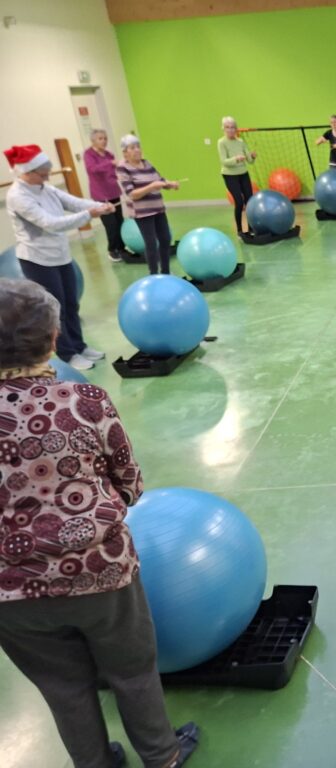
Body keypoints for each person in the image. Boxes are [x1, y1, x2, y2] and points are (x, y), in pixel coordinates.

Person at [0, 278, 200, 768]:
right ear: (53, 340)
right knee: (132, 672)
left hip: (10, 591)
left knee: (62, 686)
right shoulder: (85, 402)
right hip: (99, 572)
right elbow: (129, 483)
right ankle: (162, 756)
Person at [3, 144, 109, 372]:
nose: (46, 177)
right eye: (42, 174)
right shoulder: (17, 196)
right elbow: (50, 223)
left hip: (60, 255)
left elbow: (73, 202)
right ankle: (67, 353)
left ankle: (79, 346)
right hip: (38, 260)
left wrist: (98, 206)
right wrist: (88, 215)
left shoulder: (45, 188)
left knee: (71, 303)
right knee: (54, 309)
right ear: (27, 172)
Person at [116, 135, 178, 275]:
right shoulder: (122, 168)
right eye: (132, 148)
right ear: (125, 152)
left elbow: (160, 180)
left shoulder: (147, 163)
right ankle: (153, 274)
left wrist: (170, 184)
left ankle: (166, 273)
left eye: (138, 147)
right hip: (142, 212)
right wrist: (151, 187)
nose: (137, 150)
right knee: (151, 243)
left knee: (165, 239)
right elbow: (132, 194)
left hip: (158, 208)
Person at [83, 128, 127, 263]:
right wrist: (110, 163)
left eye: (105, 138)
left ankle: (121, 248)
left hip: (113, 192)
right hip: (100, 195)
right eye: (100, 138)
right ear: (93, 140)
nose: (104, 141)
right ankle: (112, 250)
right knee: (111, 224)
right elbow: (93, 169)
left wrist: (119, 175)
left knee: (120, 221)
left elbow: (112, 173)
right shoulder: (88, 154)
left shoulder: (109, 154)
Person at [217, 116, 257, 236]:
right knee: (239, 202)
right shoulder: (221, 142)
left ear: (236, 129)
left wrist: (252, 157)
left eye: (233, 127)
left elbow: (249, 161)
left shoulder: (241, 142)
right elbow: (224, 161)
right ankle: (240, 230)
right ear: (223, 128)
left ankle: (251, 228)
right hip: (229, 175)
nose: (230, 130)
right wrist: (236, 159)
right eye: (227, 127)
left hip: (243, 173)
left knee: (249, 201)